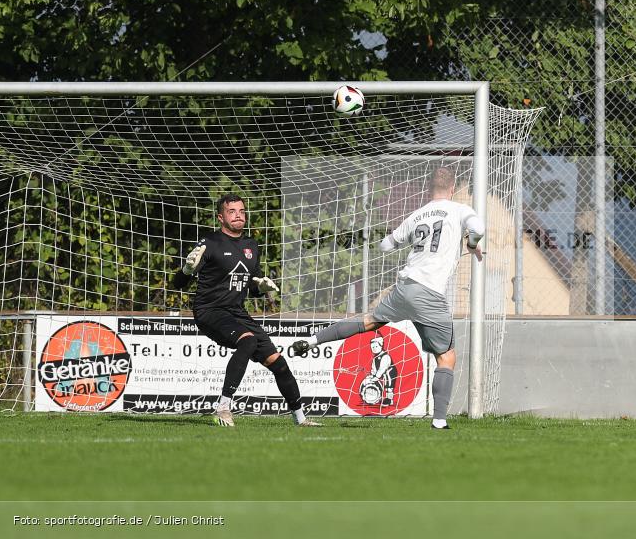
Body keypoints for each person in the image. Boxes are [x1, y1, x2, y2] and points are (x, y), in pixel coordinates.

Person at [292, 167, 485, 429]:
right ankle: (439, 420)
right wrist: (471, 244)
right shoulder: (459, 209)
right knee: (446, 357)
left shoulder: (417, 214)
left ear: (430, 189)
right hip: (429, 292)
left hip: (404, 287)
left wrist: (391, 242)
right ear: (452, 189)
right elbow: (478, 228)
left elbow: (386, 245)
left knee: (370, 320)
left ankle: (314, 339)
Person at [173, 193, 321, 427]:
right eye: (232, 212)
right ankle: (223, 407)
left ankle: (300, 419)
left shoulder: (251, 245)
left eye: (241, 211)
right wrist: (187, 270)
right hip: (210, 310)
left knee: (278, 363)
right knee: (248, 341)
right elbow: (178, 284)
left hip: (237, 312)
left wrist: (261, 287)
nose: (238, 215)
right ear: (220, 217)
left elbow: (251, 288)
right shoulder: (210, 242)